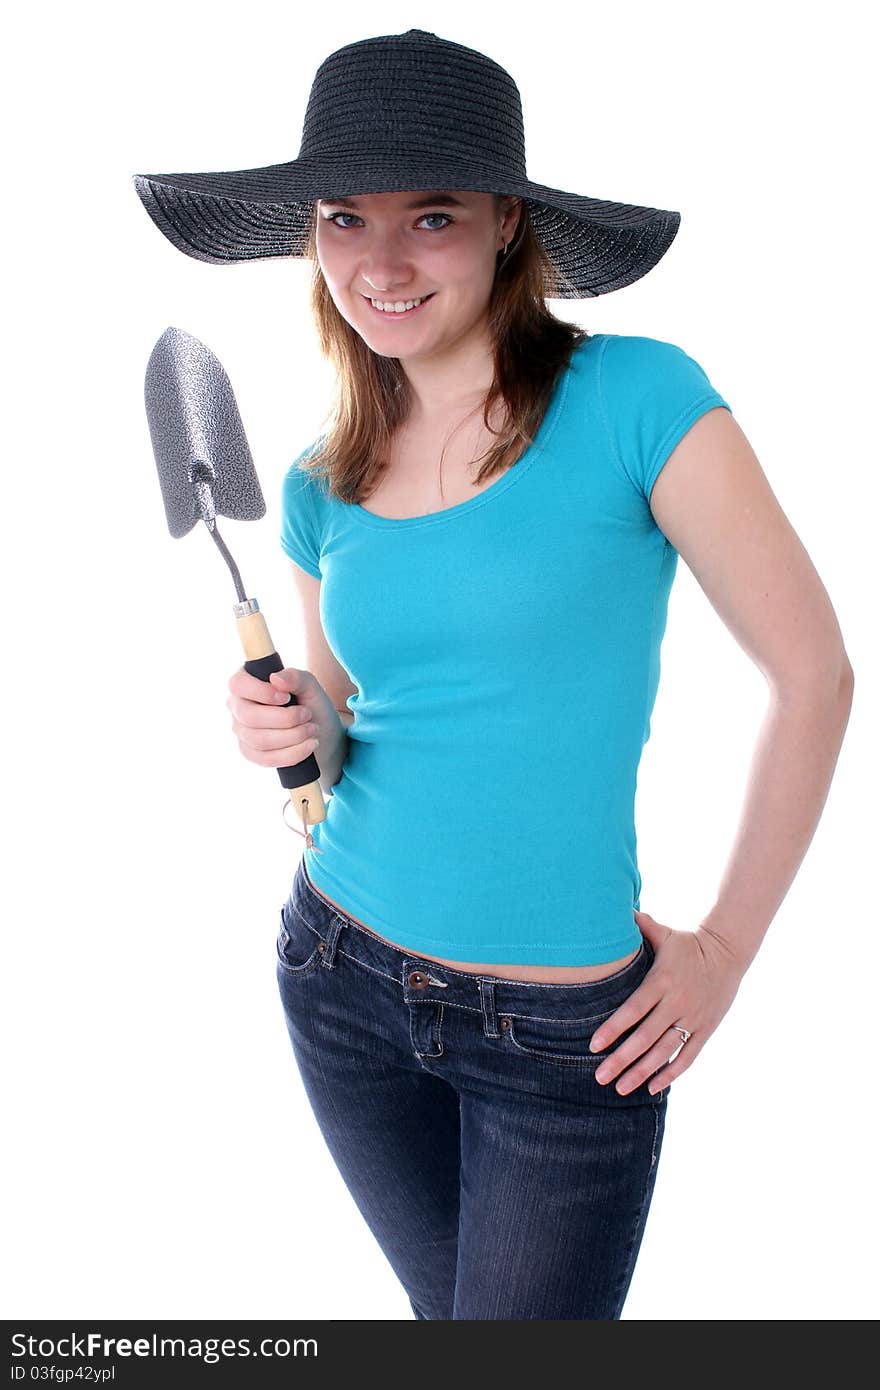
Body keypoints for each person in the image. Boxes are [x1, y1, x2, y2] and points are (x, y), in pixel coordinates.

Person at [133, 29, 854, 1320]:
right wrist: (293, 718)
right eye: (346, 217)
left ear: (507, 223)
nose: (383, 261)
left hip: (567, 1044)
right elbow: (348, 717)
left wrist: (727, 951)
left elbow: (816, 673)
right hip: (340, 977)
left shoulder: (639, 399)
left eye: (433, 216)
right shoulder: (317, 479)